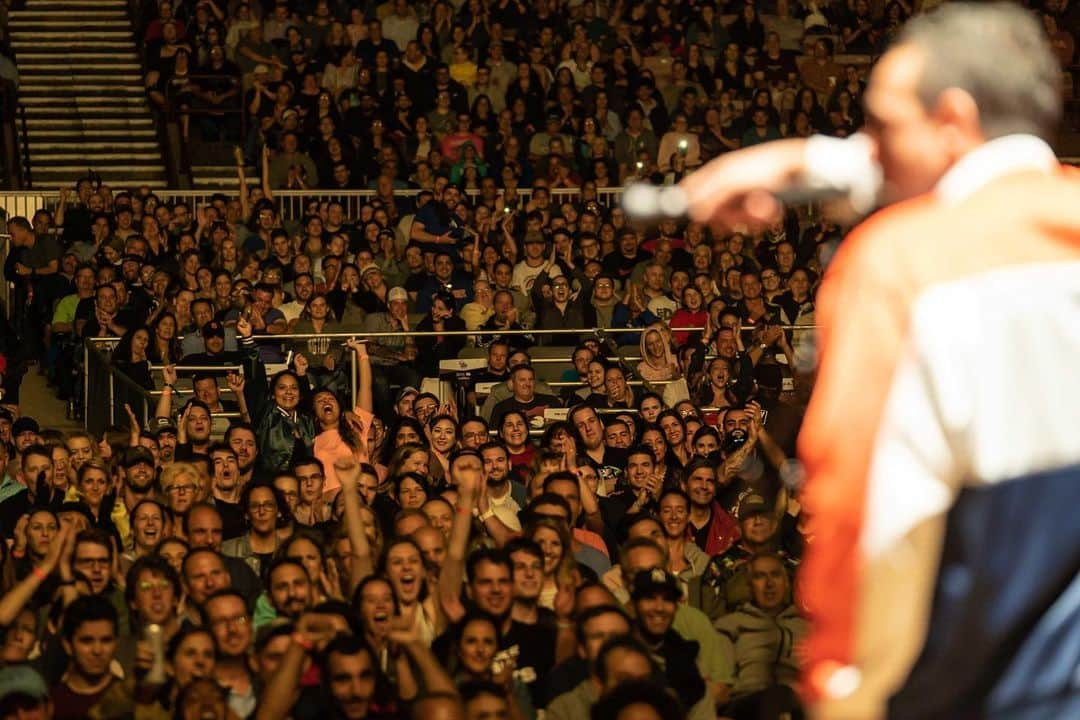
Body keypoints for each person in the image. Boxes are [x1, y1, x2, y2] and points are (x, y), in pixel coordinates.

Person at [681, 3, 1079, 717]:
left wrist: (841, 688)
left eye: (882, 127)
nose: (869, 146)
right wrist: (813, 160)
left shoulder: (901, 264)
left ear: (952, 119)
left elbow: (862, 516)